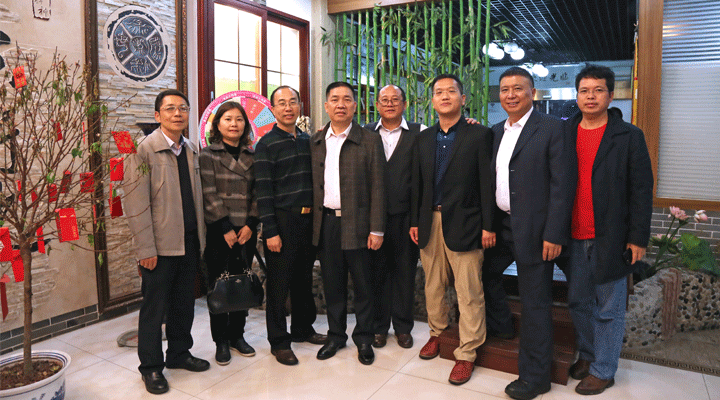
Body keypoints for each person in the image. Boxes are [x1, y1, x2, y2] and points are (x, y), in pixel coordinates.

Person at [478, 67, 572, 400]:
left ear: (532, 93)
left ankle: (535, 376)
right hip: (501, 225)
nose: (511, 95)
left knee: (535, 300)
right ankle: (502, 326)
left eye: (518, 88)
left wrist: (554, 234)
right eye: (505, 89)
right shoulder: (495, 132)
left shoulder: (552, 128)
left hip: (536, 229)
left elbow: (563, 186)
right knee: (484, 273)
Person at [561, 64, 653, 396]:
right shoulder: (564, 132)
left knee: (609, 308)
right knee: (578, 302)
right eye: (584, 91)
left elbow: (642, 190)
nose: (591, 96)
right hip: (573, 235)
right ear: (577, 96)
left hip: (610, 237)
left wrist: (637, 237)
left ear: (611, 95)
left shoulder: (629, 136)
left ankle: (604, 369)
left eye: (598, 90)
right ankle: (588, 355)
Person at [409, 74, 495, 386]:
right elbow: (417, 183)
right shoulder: (423, 138)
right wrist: (415, 220)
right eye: (438, 92)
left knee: (468, 290)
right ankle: (437, 333)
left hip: (467, 222)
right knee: (432, 285)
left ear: (463, 98)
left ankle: (467, 353)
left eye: (451, 91)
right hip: (429, 221)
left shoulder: (479, 134)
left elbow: (487, 183)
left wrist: (488, 226)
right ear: (432, 101)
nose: (445, 96)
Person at [125, 89, 209, 395]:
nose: (177, 114)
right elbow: (135, 205)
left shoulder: (191, 149)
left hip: (189, 242)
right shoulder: (143, 151)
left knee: (184, 304)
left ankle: (179, 353)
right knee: (154, 309)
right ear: (157, 115)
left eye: (183, 108)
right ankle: (150, 367)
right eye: (170, 108)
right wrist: (145, 248)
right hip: (160, 247)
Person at [311, 81, 386, 366]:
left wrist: (376, 229)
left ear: (355, 106)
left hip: (360, 224)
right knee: (333, 284)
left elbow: (379, 187)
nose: (340, 104)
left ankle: (364, 338)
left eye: (346, 99)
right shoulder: (316, 141)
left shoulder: (369, 140)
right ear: (326, 105)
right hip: (327, 224)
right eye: (334, 99)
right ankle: (336, 336)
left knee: (364, 285)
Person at [255, 86, 327, 366]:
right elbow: (263, 192)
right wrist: (270, 231)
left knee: (303, 280)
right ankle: (279, 341)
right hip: (282, 221)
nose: (288, 107)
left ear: (300, 106)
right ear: (272, 109)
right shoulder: (266, 144)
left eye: (293, 102)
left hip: (309, 220)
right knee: (278, 284)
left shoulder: (309, 141)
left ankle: (302, 329)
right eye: (282, 103)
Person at [364, 84, 425, 350]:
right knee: (376, 274)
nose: (389, 104)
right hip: (373, 220)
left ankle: (402, 328)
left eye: (395, 99)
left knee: (404, 274)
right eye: (384, 100)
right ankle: (379, 328)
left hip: (406, 219)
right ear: (377, 105)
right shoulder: (364, 133)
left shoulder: (420, 132)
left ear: (404, 104)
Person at [198, 101, 259, 366]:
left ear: (245, 124)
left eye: (239, 119)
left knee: (241, 282)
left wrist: (251, 224)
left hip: (246, 232)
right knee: (219, 286)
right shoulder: (207, 155)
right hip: (219, 231)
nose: (234, 124)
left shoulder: (253, 155)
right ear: (218, 124)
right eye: (228, 119)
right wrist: (225, 227)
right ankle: (221, 341)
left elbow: (259, 192)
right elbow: (208, 192)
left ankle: (237, 336)